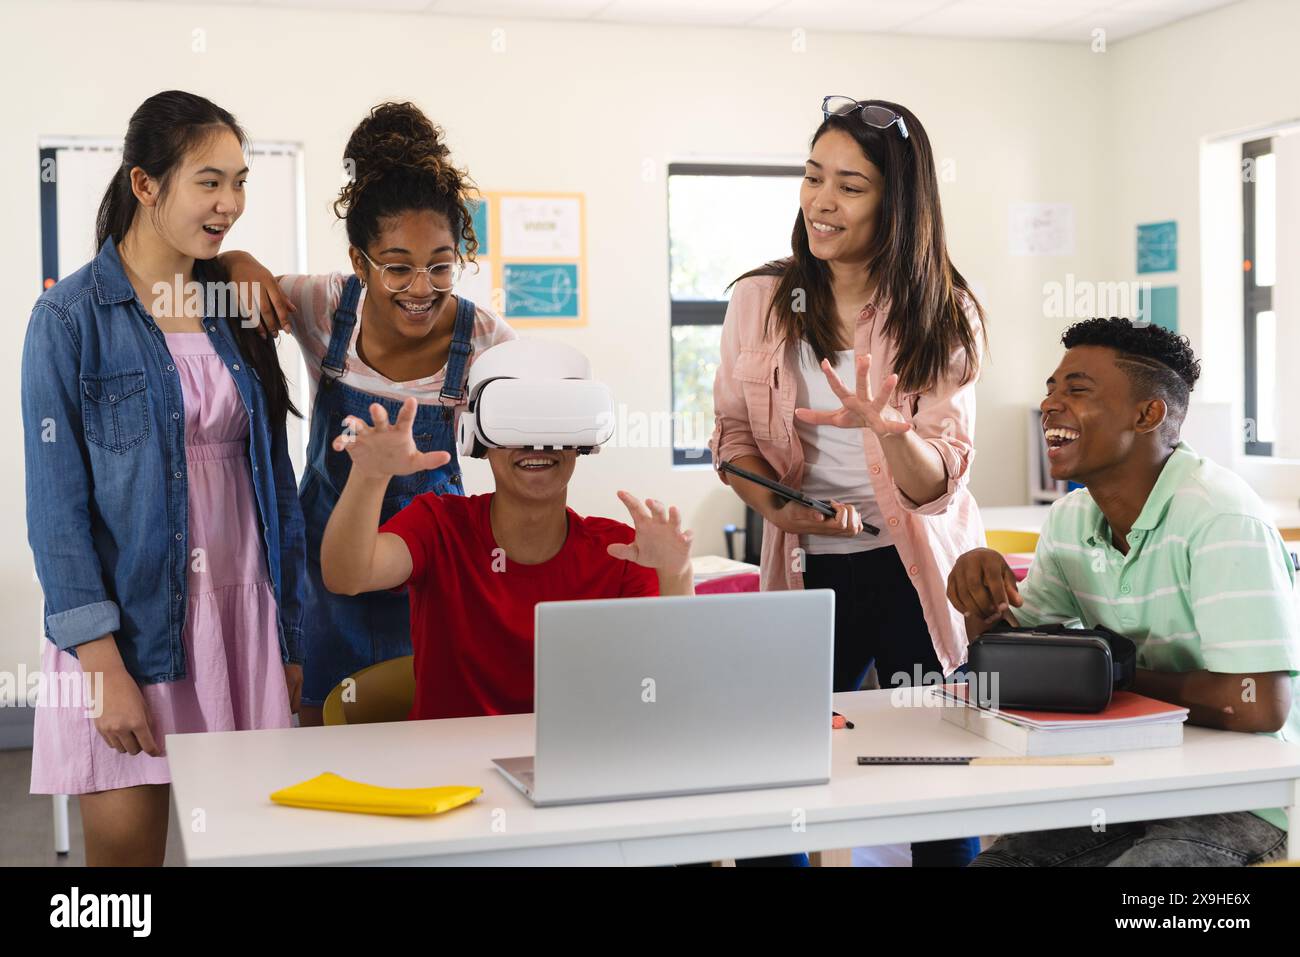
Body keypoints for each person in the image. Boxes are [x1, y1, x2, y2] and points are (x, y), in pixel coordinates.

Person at [23, 91, 305, 865]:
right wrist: (101, 664)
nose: (231, 204)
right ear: (145, 185)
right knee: (123, 888)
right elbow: (56, 512)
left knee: (256, 854)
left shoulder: (233, 304)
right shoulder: (70, 318)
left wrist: (290, 630)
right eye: (209, 182)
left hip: (243, 617)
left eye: (241, 182)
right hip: (132, 635)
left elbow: (275, 483)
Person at [711, 96, 987, 867]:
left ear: (896, 203)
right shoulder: (759, 301)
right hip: (808, 569)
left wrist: (890, 431)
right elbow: (732, 435)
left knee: (934, 777)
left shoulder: (941, 313)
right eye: (812, 176)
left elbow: (937, 486)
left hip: (914, 569)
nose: (820, 202)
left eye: (850, 186)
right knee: (776, 773)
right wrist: (781, 509)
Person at [949, 317, 1298, 866]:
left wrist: (1108, 672)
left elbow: (1257, 705)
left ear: (1148, 414)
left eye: (1076, 390)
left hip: (1247, 796)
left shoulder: (1220, 517)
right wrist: (981, 597)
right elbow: (1017, 666)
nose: (1051, 404)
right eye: (1051, 389)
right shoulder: (1069, 520)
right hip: (1126, 784)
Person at [221, 102, 514, 725]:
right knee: (325, 734)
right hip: (325, 579)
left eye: (441, 264)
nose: (421, 288)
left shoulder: (488, 344)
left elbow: (525, 462)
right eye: (398, 268)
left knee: (427, 740)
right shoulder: (326, 307)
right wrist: (235, 261)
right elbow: (224, 279)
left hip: (430, 583)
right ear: (360, 262)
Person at [320, 340, 694, 720]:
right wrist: (370, 477)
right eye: (514, 422)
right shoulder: (439, 525)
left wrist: (675, 574)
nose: (536, 443)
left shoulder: (620, 551)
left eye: (555, 423)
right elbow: (347, 576)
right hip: (444, 766)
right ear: (479, 437)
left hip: (570, 764)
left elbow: (670, 677)